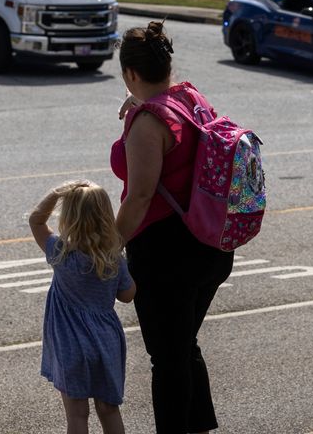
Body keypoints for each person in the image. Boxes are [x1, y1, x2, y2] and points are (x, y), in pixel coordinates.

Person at [112, 22, 235, 434]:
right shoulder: (189, 97)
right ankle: (199, 427)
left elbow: (140, 197)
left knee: (167, 360)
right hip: (211, 244)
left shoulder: (149, 124)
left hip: (167, 255)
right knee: (183, 346)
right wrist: (137, 102)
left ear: (130, 73)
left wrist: (108, 247)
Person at [29, 180, 136, 434]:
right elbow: (128, 295)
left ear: (69, 218)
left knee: (77, 415)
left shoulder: (60, 253)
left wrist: (57, 192)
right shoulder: (113, 260)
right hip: (106, 343)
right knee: (109, 410)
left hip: (70, 345)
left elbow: (36, 220)